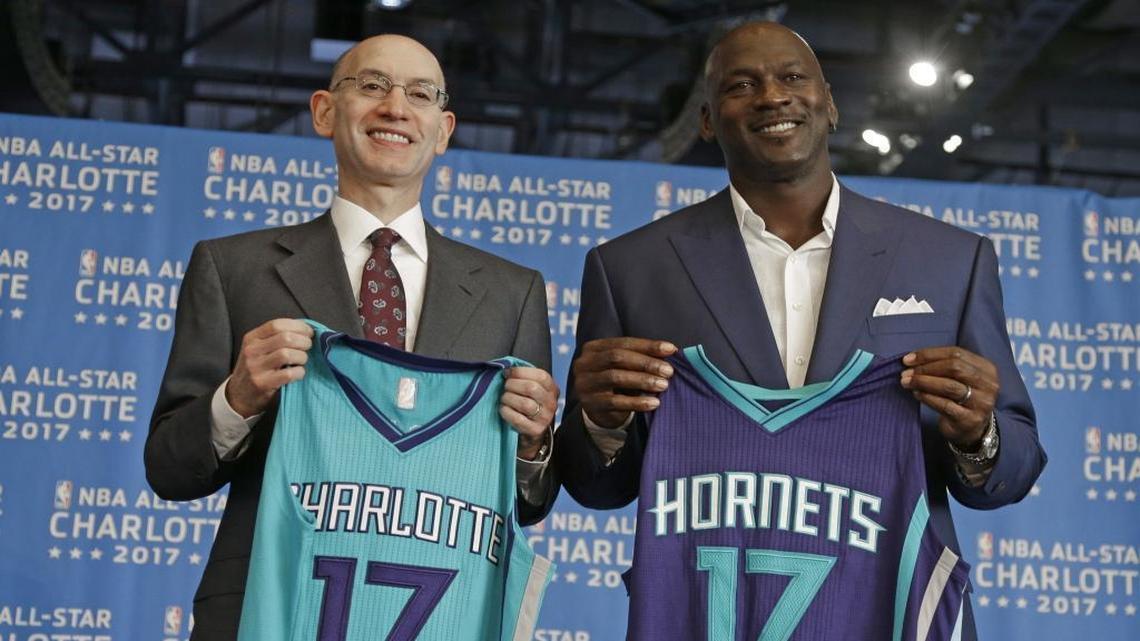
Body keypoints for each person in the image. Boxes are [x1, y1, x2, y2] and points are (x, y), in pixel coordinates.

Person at [555, 21, 1045, 641]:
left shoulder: (950, 259)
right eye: (741, 85)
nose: (772, 96)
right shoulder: (628, 268)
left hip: (887, 616)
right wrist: (600, 425)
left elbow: (1015, 470)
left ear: (830, 102)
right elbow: (599, 487)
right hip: (708, 616)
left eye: (792, 77)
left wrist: (980, 435)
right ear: (706, 120)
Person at [145, 34, 559, 641]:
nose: (395, 107)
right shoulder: (232, 267)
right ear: (324, 111)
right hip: (270, 606)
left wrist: (533, 445)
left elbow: (530, 503)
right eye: (371, 86)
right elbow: (168, 470)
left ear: (443, 130)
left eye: (419, 94)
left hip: (445, 611)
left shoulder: (511, 291)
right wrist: (235, 399)